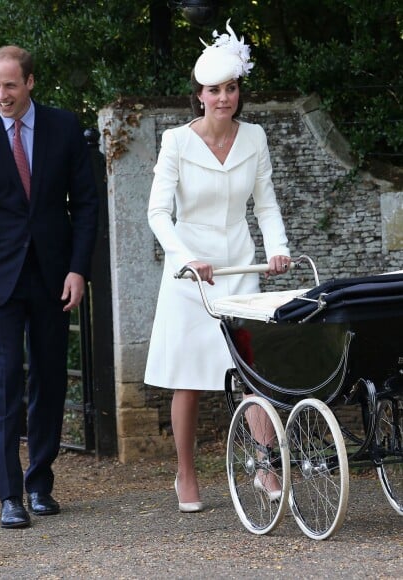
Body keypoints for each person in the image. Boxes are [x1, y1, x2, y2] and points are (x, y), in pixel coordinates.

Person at [0, 46, 99, 529]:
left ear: (30, 82)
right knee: (6, 379)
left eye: (9, 85)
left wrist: (78, 269)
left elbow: (86, 205)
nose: (0, 95)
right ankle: (10, 494)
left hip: (54, 275)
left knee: (48, 377)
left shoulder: (64, 127)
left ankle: (40, 483)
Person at [144, 20, 291, 512]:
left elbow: (265, 203)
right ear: (199, 95)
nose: (224, 98)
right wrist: (186, 259)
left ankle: (266, 464)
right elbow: (158, 214)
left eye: (231, 88)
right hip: (191, 272)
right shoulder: (176, 143)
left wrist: (277, 247)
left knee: (253, 371)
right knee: (188, 379)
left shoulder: (255, 137)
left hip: (239, 268)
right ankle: (185, 475)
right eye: (214, 90)